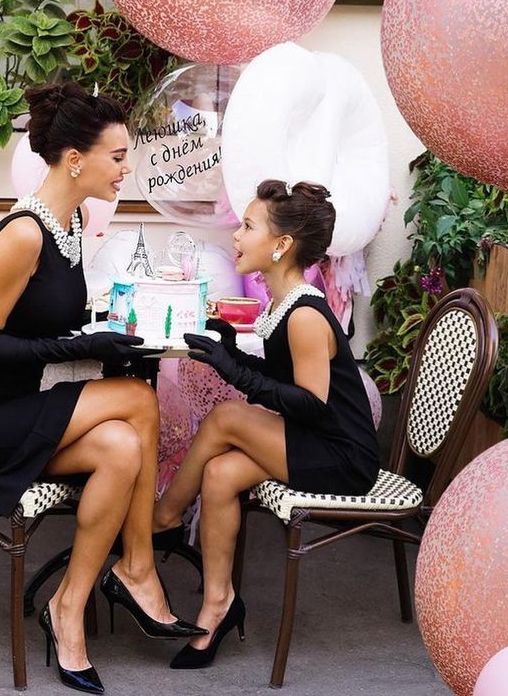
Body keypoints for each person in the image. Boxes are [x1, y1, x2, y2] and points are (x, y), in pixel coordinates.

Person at [0, 81, 204, 696]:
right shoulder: (24, 232)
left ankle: (69, 606)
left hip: (15, 409)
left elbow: (49, 320)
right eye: (119, 156)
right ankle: (139, 566)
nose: (128, 168)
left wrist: (97, 332)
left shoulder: (71, 223)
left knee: (123, 446)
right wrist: (80, 347)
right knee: (138, 400)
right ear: (76, 159)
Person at [153, 180, 380, 670]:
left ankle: (163, 517)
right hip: (312, 440)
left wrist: (233, 370)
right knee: (220, 475)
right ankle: (218, 603)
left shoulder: (303, 313)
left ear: (281, 246)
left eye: (248, 226)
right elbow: (283, 383)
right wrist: (232, 353)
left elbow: (313, 405)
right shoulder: (280, 306)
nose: (236, 235)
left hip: (341, 455)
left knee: (227, 415)